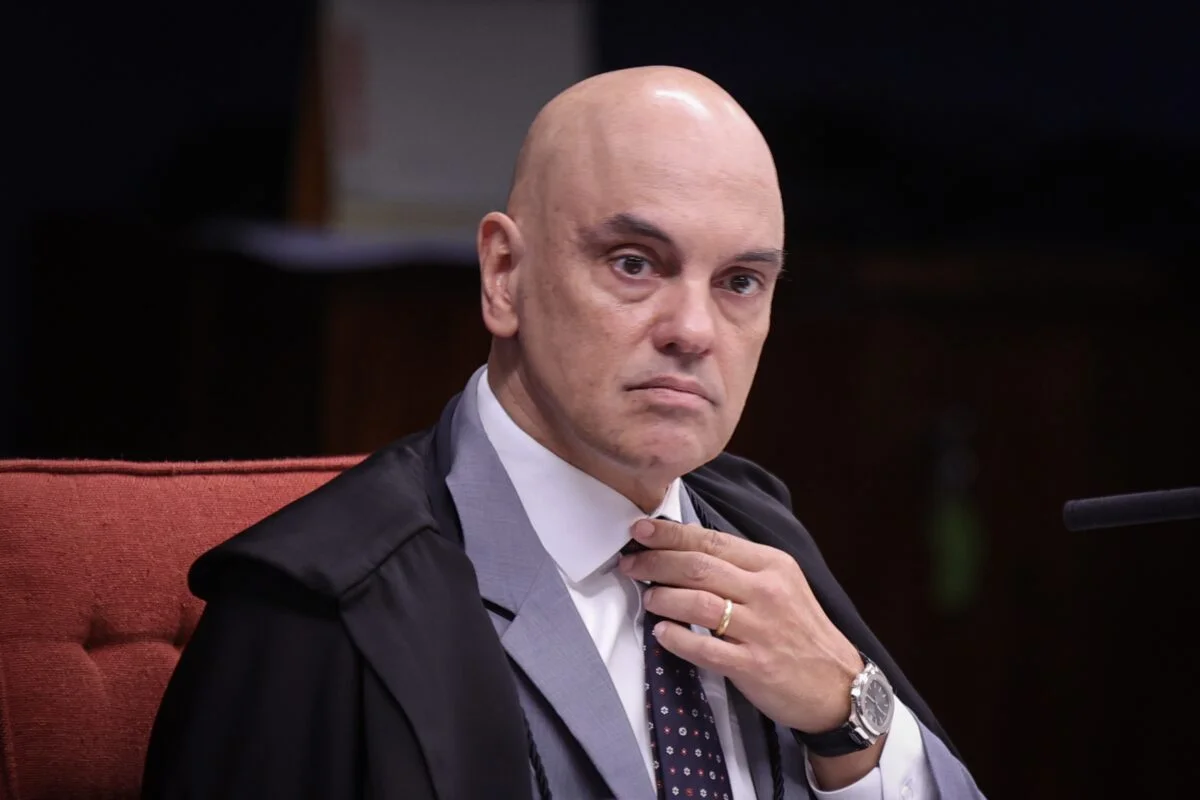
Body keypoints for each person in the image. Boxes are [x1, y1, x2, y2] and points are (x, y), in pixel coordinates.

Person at [142, 66, 984, 799]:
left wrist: (849, 719)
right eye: (635, 263)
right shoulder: (315, 605)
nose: (694, 331)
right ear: (504, 275)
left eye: (739, 281)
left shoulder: (761, 528)